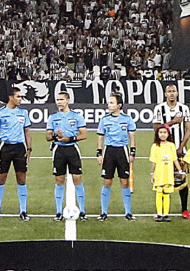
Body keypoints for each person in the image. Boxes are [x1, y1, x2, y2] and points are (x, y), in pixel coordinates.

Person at [45, 92, 89, 221]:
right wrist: (56, 136)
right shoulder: (53, 117)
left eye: (61, 99)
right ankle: (59, 211)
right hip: (58, 150)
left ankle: (82, 211)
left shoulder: (76, 116)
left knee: (77, 179)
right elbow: (47, 136)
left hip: (72, 149)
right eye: (57, 100)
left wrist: (69, 138)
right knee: (59, 180)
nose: (59, 102)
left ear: (68, 100)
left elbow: (84, 134)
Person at [153, 83, 190, 217]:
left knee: (182, 178)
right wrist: (173, 122)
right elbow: (157, 129)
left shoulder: (184, 108)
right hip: (163, 149)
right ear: (165, 94)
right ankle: (162, 211)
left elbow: (188, 129)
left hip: (180, 149)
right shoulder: (159, 108)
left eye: (173, 91)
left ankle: (184, 209)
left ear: (177, 93)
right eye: (169, 91)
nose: (171, 93)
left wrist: (181, 146)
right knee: (162, 178)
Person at [0, 93, 32, 221]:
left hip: (20, 148)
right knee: (1, 179)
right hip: (5, 148)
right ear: (10, 97)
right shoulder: (0, 113)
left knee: (22, 179)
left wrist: (29, 149)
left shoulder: (23, 113)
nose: (20, 99)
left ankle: (23, 211)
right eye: (18, 96)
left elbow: (27, 132)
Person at [96, 93, 138, 221]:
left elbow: (132, 136)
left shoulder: (127, 119)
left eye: (112, 103)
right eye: (109, 103)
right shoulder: (104, 120)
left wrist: (132, 152)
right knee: (107, 181)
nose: (109, 105)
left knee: (124, 182)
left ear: (119, 105)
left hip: (122, 151)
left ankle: (128, 212)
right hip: (109, 151)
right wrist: (99, 152)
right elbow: (100, 137)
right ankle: (103, 212)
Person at [148, 126, 183, 220]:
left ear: (168, 134)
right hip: (159, 174)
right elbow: (154, 162)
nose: (163, 135)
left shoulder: (171, 145)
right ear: (157, 134)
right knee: (159, 193)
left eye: (165, 132)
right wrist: (152, 174)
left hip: (168, 175)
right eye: (161, 132)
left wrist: (180, 171)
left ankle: (166, 214)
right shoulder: (155, 146)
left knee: (167, 194)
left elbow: (175, 159)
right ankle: (159, 213)